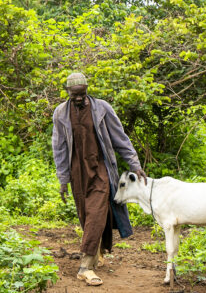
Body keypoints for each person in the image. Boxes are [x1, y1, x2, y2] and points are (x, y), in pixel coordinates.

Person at [52, 72, 147, 286]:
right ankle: (97, 252)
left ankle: (85, 267)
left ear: (87, 90)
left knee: (96, 213)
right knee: (87, 217)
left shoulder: (102, 108)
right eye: (74, 95)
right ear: (68, 92)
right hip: (77, 172)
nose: (78, 98)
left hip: (100, 170)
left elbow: (120, 138)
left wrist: (135, 164)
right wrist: (63, 179)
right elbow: (59, 148)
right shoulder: (60, 113)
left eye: (82, 94)